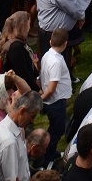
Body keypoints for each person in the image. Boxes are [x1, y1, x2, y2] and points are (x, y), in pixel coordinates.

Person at [39, 29, 72, 163]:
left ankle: (49, 153)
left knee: (54, 129)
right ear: (65, 44)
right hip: (55, 101)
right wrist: (41, 99)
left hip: (52, 99)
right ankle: (48, 158)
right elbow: (52, 88)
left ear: (50, 42)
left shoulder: (47, 55)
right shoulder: (56, 62)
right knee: (56, 131)